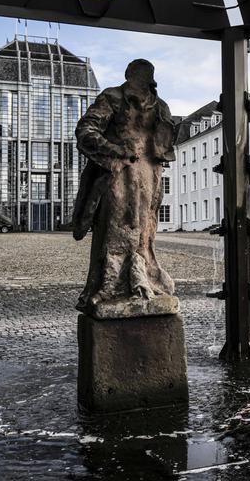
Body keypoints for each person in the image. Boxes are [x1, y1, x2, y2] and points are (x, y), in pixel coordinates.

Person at [71, 59, 176, 312]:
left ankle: (143, 279)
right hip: (118, 173)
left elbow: (166, 146)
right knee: (115, 228)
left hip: (149, 175)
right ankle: (109, 286)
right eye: (137, 77)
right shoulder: (113, 97)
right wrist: (115, 149)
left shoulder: (160, 106)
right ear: (129, 76)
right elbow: (85, 130)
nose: (141, 83)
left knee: (144, 233)